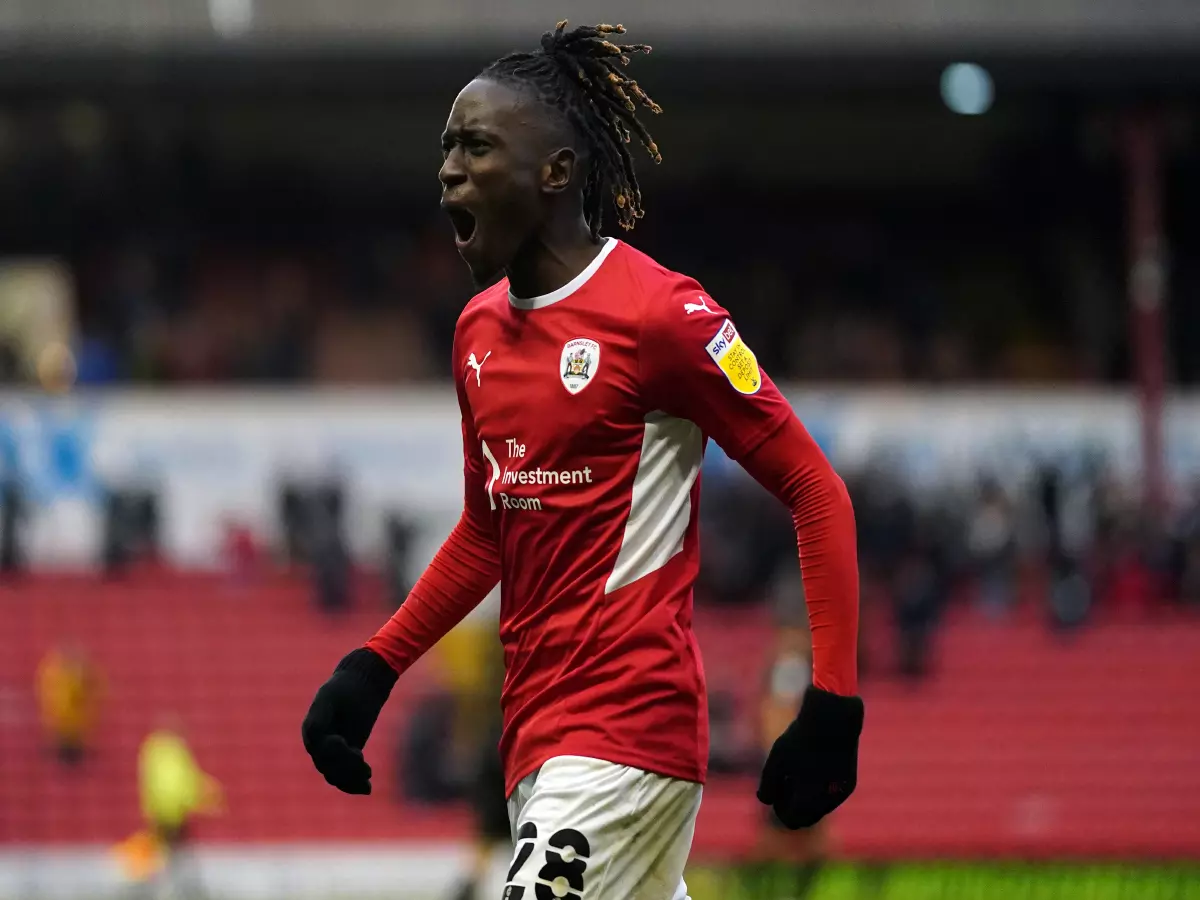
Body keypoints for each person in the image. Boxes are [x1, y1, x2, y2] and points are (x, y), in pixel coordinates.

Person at [302, 21, 863, 900]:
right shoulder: (477, 333)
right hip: (536, 743)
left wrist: (833, 703)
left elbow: (814, 489)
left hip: (628, 733)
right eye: (446, 147)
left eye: (477, 146)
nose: (449, 169)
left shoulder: (663, 317)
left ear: (555, 172)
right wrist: (375, 666)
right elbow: (489, 533)